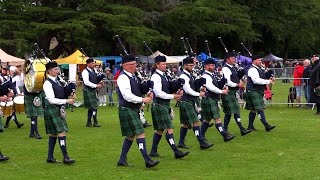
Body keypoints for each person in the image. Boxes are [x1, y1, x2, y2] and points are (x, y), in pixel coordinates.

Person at [116, 55, 160, 168]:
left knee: (130, 136)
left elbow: (138, 90)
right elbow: (127, 96)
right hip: (127, 108)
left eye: (135, 64)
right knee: (140, 133)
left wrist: (147, 92)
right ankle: (147, 160)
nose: (135, 66)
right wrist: (142, 99)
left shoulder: (133, 76)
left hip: (132, 109)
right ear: (125, 66)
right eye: (132, 65)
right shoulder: (123, 78)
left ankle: (121, 160)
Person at [149, 55, 189, 159]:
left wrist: (177, 89)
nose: (165, 66)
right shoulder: (155, 77)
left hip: (164, 105)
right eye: (163, 64)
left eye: (165, 64)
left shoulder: (164, 75)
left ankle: (153, 151)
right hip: (159, 105)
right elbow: (158, 93)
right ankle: (176, 151)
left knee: (160, 130)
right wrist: (173, 96)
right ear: (157, 65)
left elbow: (167, 88)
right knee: (169, 128)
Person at [43, 61, 76, 164]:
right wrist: (67, 101)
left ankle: (50, 157)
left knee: (53, 134)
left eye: (57, 69)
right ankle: (66, 157)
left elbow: (64, 91)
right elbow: (51, 99)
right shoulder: (47, 84)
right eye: (55, 69)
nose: (57, 71)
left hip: (58, 108)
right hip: (51, 109)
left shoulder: (59, 80)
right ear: (49, 71)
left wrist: (71, 92)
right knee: (61, 131)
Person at [177, 57, 213, 150]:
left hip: (189, 101)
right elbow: (187, 90)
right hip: (186, 101)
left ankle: (181, 142)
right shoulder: (183, 76)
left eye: (192, 65)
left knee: (185, 124)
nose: (192, 67)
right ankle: (201, 142)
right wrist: (199, 94)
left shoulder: (190, 75)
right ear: (184, 66)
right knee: (196, 122)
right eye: (190, 65)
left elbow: (193, 87)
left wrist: (200, 87)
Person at [200, 58, 235, 142]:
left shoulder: (212, 75)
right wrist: (222, 91)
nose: (213, 67)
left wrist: (222, 83)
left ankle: (201, 136)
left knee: (207, 119)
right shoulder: (205, 76)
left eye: (213, 65)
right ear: (206, 66)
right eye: (211, 65)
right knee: (217, 118)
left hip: (211, 99)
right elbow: (211, 87)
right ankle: (224, 135)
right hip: (209, 98)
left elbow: (216, 85)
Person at [221, 52, 251, 136]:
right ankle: (241, 129)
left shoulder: (233, 67)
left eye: (234, 58)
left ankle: (227, 129)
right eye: (233, 58)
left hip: (232, 92)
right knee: (234, 111)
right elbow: (227, 82)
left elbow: (236, 78)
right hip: (228, 92)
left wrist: (241, 79)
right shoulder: (225, 69)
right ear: (227, 59)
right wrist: (237, 84)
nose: (234, 60)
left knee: (230, 112)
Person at [245, 55, 276, 132]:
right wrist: (268, 81)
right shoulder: (252, 70)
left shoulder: (258, 69)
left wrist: (270, 75)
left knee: (253, 110)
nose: (260, 62)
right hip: (253, 91)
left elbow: (263, 76)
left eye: (260, 60)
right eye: (258, 60)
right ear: (254, 61)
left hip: (257, 91)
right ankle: (266, 125)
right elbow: (256, 80)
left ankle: (250, 127)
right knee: (260, 108)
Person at [82, 58, 104, 127]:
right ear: (88, 64)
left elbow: (96, 79)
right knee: (94, 107)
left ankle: (89, 122)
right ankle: (95, 121)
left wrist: (101, 79)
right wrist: (96, 85)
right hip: (88, 90)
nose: (93, 64)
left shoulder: (94, 70)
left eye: (94, 63)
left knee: (92, 107)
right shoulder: (85, 72)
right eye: (92, 63)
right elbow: (86, 82)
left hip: (93, 90)